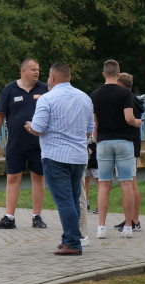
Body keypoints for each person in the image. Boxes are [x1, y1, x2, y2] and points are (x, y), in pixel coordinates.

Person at [26, 62, 94, 256]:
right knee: (73, 199)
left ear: (53, 78)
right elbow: (90, 129)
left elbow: (38, 128)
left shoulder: (47, 99)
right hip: (79, 157)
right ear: (70, 76)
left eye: (48, 77)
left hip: (55, 156)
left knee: (64, 201)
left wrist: (29, 126)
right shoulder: (85, 98)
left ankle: (73, 242)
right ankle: (69, 238)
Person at [0, 58, 49, 230]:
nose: (37, 72)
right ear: (23, 71)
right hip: (16, 143)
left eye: (38, 69)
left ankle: (37, 217)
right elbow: (0, 115)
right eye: (33, 69)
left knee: (38, 178)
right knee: (13, 178)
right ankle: (9, 217)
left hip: (38, 143)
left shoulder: (44, 89)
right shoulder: (9, 89)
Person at [90, 60, 142, 239]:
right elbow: (129, 118)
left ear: (104, 74)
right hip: (124, 141)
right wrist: (137, 122)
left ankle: (101, 228)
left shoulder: (95, 95)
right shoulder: (124, 93)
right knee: (126, 183)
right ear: (118, 74)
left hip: (104, 142)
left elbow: (94, 124)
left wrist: (97, 141)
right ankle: (128, 226)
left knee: (104, 184)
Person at [116, 73, 144, 232]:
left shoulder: (128, 101)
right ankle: (132, 219)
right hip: (133, 143)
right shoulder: (134, 99)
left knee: (131, 182)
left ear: (119, 84)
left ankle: (135, 221)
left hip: (130, 144)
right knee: (129, 181)